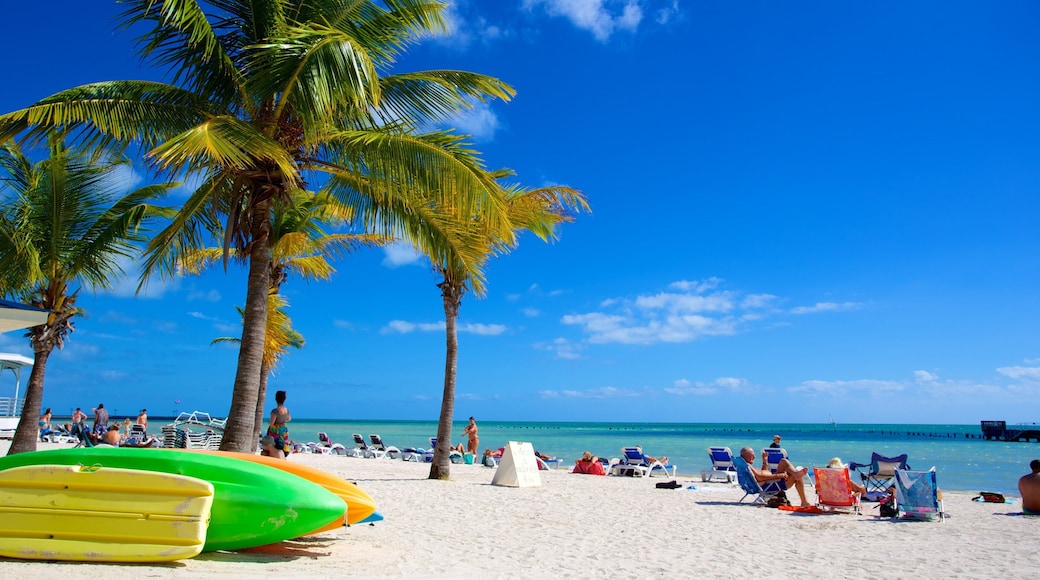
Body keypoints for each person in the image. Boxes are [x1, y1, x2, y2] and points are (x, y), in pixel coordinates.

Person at [739, 446, 811, 507]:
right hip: (771, 484)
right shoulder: (748, 466)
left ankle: (795, 473)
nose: (754, 457)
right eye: (752, 455)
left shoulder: (745, 465)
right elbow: (760, 478)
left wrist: (765, 461)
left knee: (783, 462)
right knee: (796, 476)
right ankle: (804, 501)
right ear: (746, 456)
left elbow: (762, 473)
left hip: (770, 481)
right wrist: (778, 475)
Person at [266, 390, 291, 459]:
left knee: (272, 447)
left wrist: (269, 422)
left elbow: (271, 423)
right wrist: (282, 419)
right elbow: (289, 419)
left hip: (275, 431)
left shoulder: (275, 411)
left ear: (276, 399)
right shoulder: (286, 410)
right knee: (282, 446)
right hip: (283, 430)